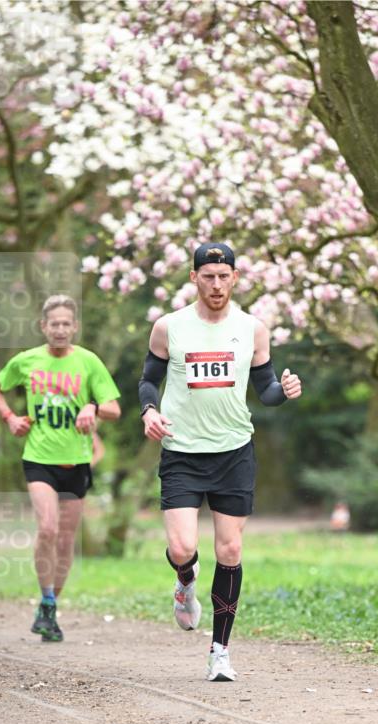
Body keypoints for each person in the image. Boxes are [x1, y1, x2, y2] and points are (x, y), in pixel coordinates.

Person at [139, 242, 302, 682]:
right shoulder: (168, 327)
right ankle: (185, 581)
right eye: (207, 275)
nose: (216, 284)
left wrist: (282, 392)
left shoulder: (253, 329)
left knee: (229, 550)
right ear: (194, 277)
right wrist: (149, 411)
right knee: (182, 548)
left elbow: (264, 389)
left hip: (233, 451)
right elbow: (148, 381)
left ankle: (220, 651)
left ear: (234, 278)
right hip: (182, 453)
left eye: (223, 276)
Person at [0, 294, 121, 642]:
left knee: (64, 541)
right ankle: (46, 600)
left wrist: (93, 407)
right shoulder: (27, 361)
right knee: (47, 528)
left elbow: (114, 409)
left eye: (66, 324)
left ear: (74, 327)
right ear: (43, 326)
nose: (60, 329)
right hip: (39, 459)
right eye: (54, 324)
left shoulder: (89, 362)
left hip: (76, 462)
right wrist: (10, 418)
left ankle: (49, 607)